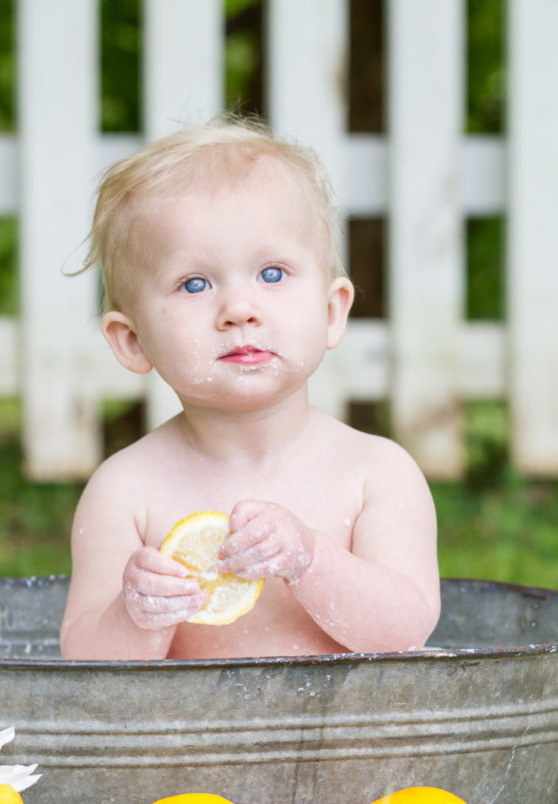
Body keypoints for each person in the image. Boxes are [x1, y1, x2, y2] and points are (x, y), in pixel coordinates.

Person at [60, 117, 440, 661]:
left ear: (332, 312)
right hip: (193, 747)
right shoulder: (124, 491)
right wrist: (133, 615)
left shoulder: (375, 473)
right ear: (132, 340)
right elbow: (83, 663)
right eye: (195, 283)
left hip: (352, 745)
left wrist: (310, 559)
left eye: (271, 273)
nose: (239, 309)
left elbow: (407, 630)